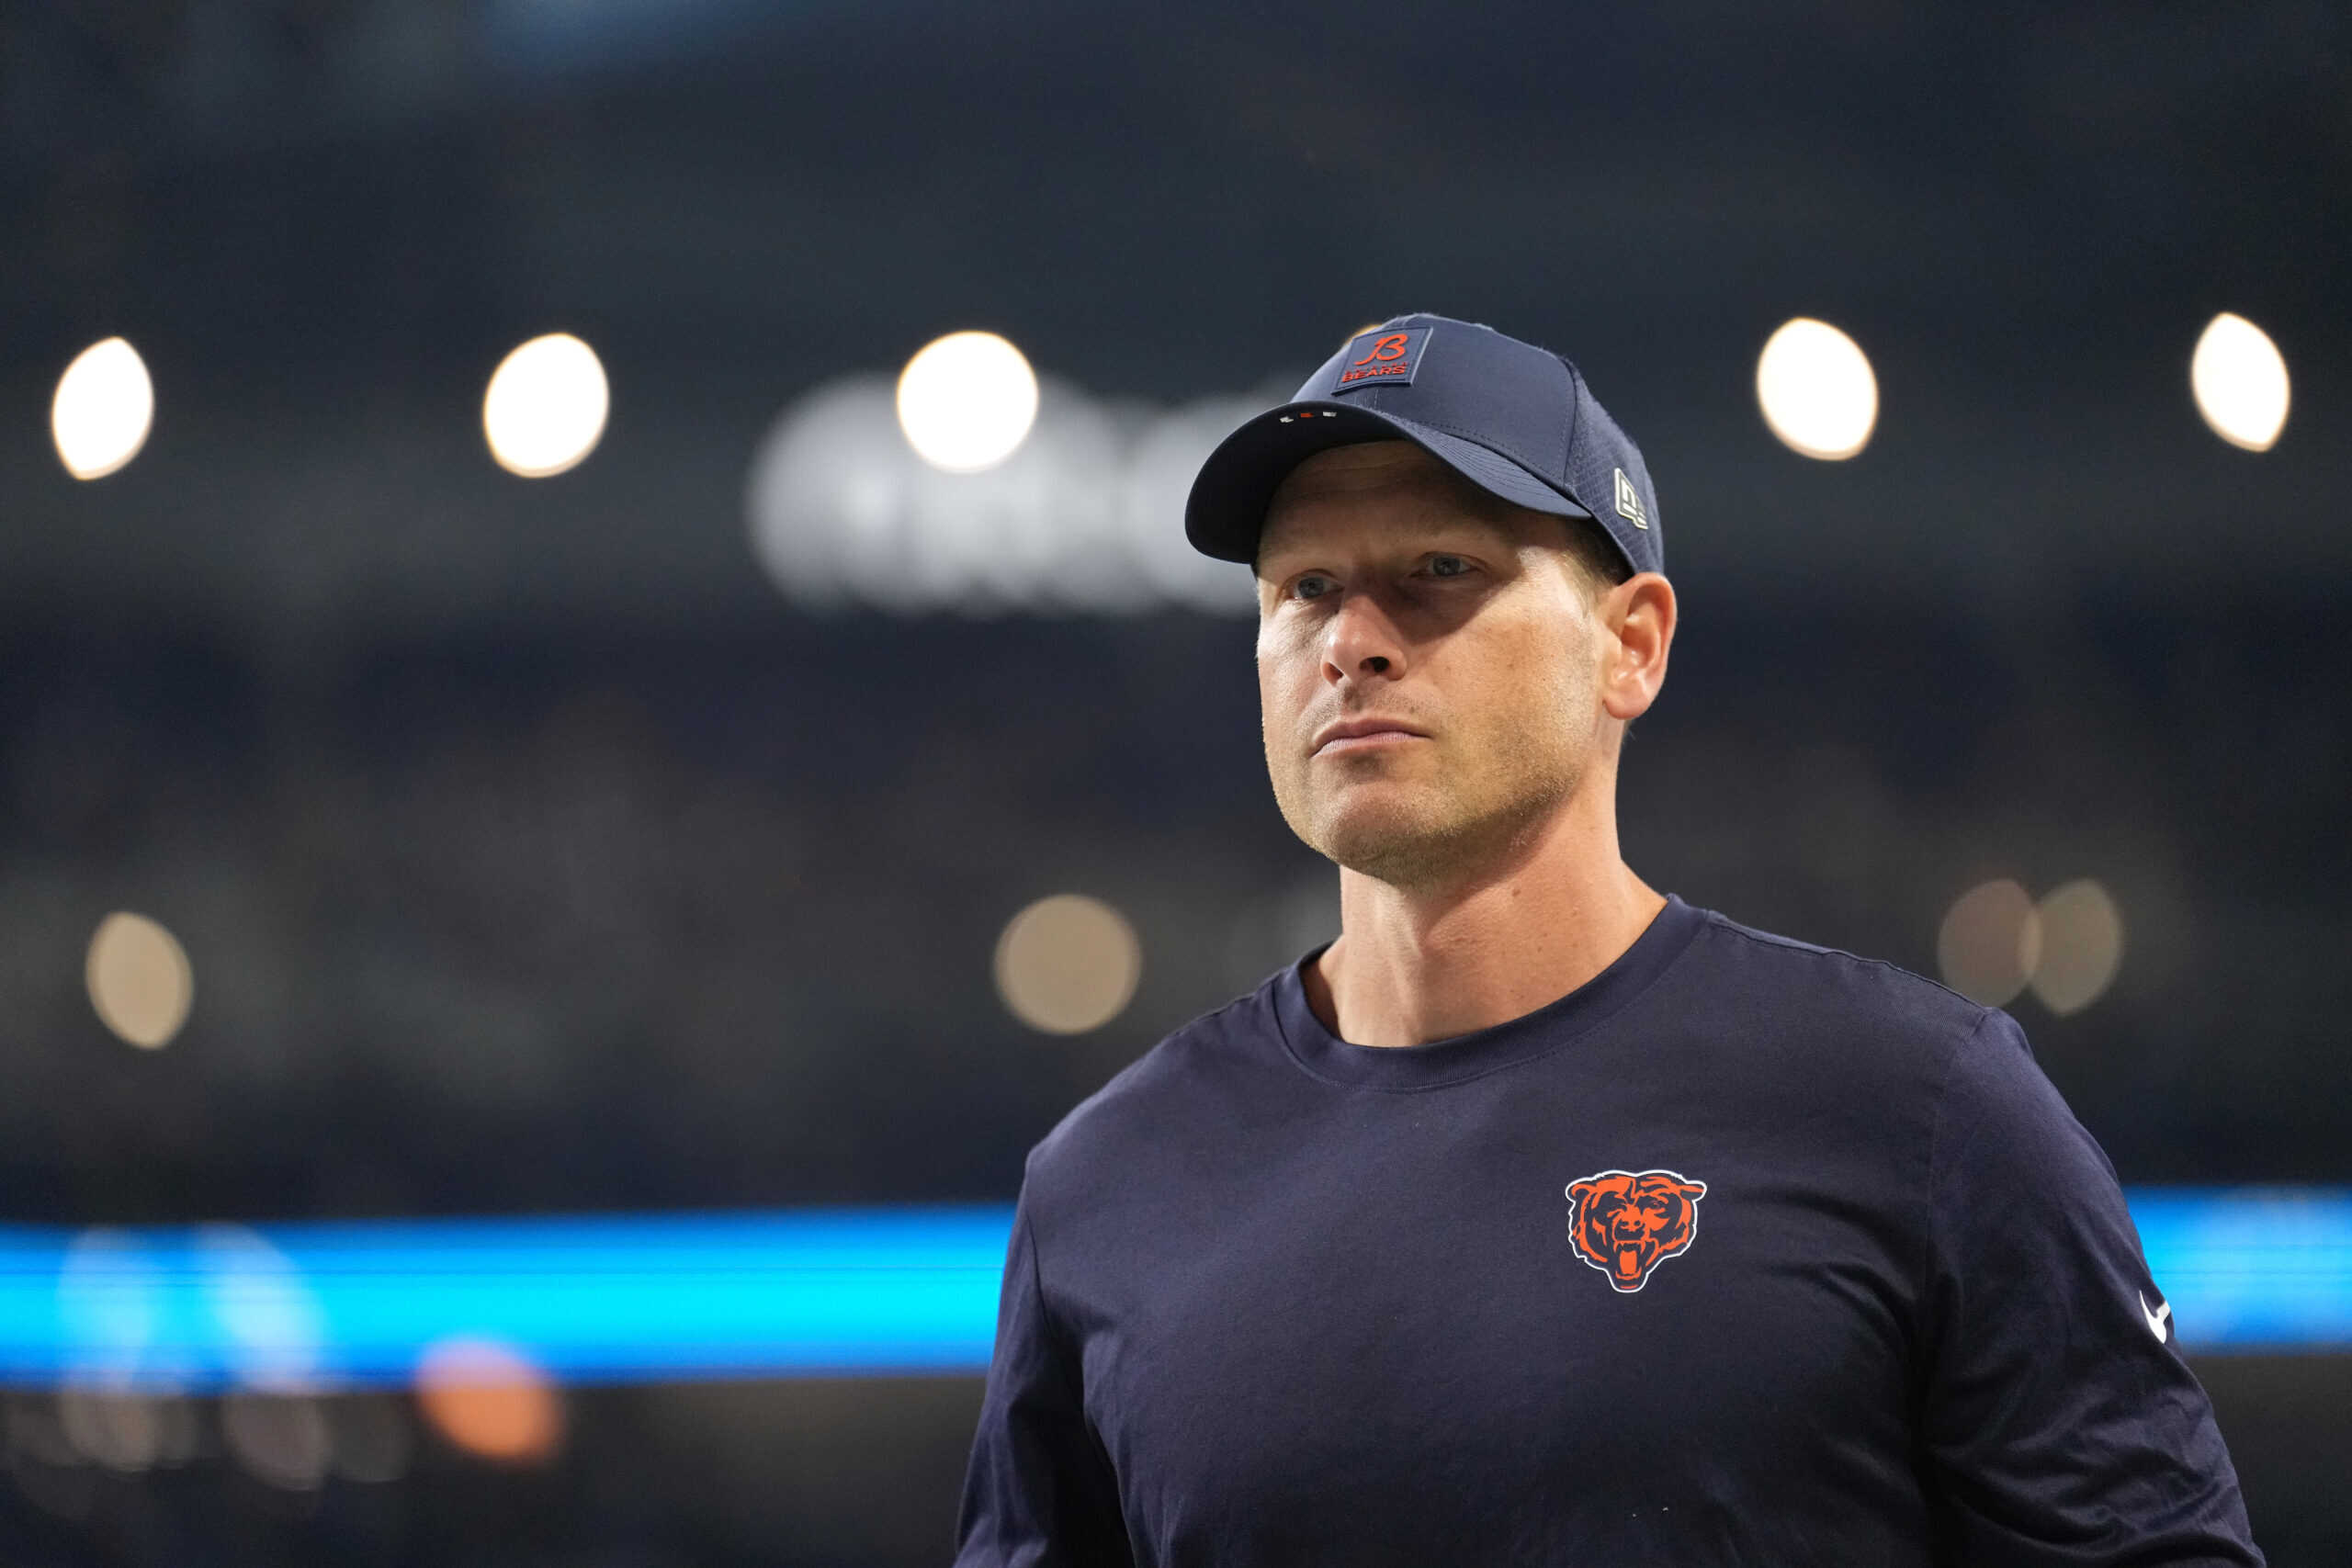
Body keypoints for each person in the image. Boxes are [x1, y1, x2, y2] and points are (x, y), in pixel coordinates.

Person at [952, 312, 2263, 1565]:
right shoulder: (1105, 1186)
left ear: (1629, 644)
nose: (1352, 641)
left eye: (1440, 573)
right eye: (1305, 590)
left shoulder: (1918, 1110)